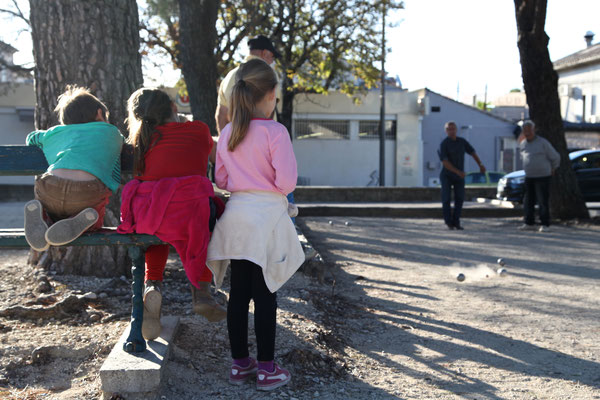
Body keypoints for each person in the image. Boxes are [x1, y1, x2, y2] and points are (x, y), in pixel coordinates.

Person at [206, 59, 305, 391]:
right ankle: (267, 368)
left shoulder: (228, 132)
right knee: (266, 295)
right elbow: (287, 181)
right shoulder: (276, 132)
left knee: (238, 295)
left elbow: (220, 178)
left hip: (236, 220)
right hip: (268, 221)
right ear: (272, 94)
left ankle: (239, 364)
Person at [117, 88, 225, 341]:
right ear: (174, 109)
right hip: (190, 214)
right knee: (209, 219)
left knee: (157, 232)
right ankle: (202, 290)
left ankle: (152, 284)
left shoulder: (140, 141)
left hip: (148, 215)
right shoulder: (198, 130)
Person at [24, 85, 123, 251]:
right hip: (87, 192)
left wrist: (48, 134)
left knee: (50, 206)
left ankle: (42, 218)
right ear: (99, 113)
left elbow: (31, 138)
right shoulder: (111, 132)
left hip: (50, 186)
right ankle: (84, 225)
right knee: (94, 214)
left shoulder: (55, 132)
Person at [215, 35, 281, 134]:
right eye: (272, 57)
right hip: (265, 144)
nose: (272, 61)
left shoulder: (229, 76)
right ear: (265, 53)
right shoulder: (270, 75)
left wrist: (225, 143)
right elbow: (270, 111)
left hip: (233, 143)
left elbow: (221, 115)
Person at [438, 121, 486, 230]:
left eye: (453, 129)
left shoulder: (462, 142)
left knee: (459, 198)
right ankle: (448, 222)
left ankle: (456, 222)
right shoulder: (444, 144)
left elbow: (472, 152)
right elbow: (445, 162)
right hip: (447, 175)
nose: (451, 131)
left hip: (459, 175)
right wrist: (457, 171)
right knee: (446, 198)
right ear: (446, 131)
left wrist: (480, 164)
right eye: (449, 129)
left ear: (456, 130)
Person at [517, 120, 560, 232]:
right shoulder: (523, 144)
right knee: (528, 201)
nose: (527, 132)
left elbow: (555, 157)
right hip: (529, 176)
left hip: (543, 176)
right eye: (525, 130)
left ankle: (545, 224)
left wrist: (553, 168)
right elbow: (523, 158)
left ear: (534, 130)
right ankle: (529, 222)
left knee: (542, 201)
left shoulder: (543, 143)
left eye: (529, 130)